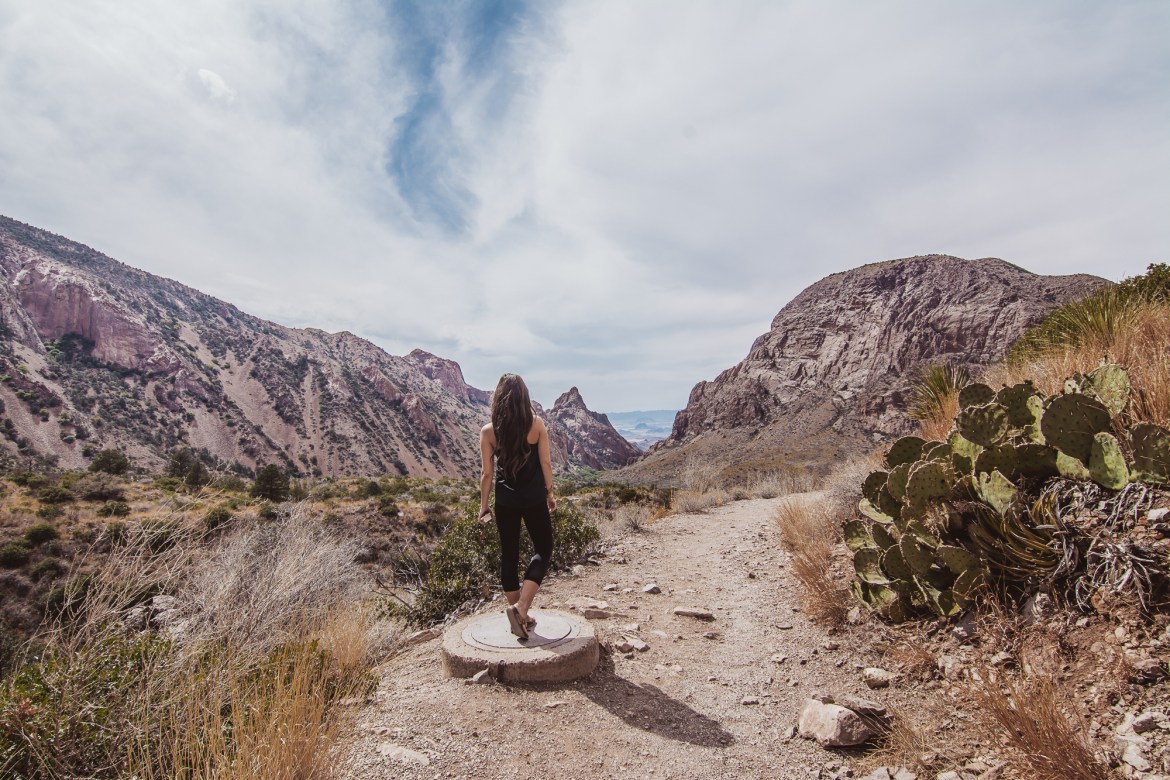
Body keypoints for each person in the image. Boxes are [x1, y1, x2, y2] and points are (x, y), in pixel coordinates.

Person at [478, 373, 557, 640]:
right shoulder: (536, 425)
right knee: (543, 549)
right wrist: (550, 493)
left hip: (505, 501)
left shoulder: (489, 431)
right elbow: (546, 464)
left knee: (509, 555)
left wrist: (483, 505)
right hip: (534, 497)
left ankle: (517, 612)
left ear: (498, 399)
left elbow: (486, 474)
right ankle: (521, 608)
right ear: (524, 397)